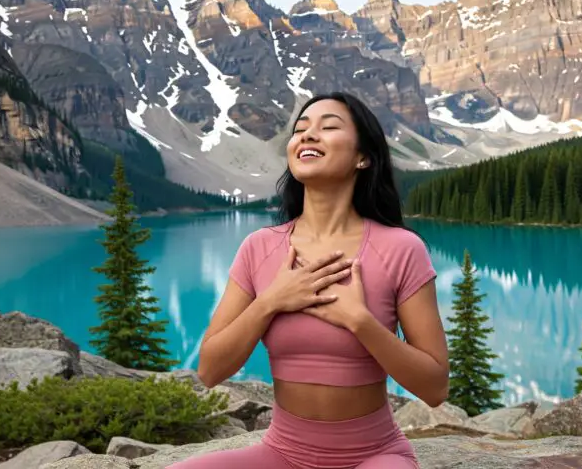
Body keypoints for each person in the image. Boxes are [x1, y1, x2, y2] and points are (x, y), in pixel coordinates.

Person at [170, 92, 448, 469]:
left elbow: (435, 388)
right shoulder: (260, 248)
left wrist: (360, 322)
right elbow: (210, 370)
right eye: (300, 130)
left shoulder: (400, 248)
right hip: (282, 454)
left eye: (328, 127)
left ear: (363, 157)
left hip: (375, 456)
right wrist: (270, 301)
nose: (308, 136)